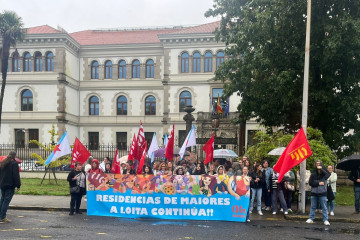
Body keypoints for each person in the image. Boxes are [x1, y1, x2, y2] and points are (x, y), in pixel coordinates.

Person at [306, 160, 331, 226]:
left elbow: (328, 174)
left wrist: (322, 169)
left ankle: (325, 220)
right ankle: (311, 218)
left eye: (319, 164)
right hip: (314, 193)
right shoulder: (313, 174)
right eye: (317, 164)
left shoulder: (324, 175)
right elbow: (311, 183)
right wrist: (318, 183)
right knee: (313, 206)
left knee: (324, 207)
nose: (318, 166)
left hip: (322, 193)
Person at [0, 151, 21, 222]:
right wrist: (18, 185)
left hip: (2, 184)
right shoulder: (14, 164)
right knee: (6, 201)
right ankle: (2, 217)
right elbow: (16, 176)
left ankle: (1, 215)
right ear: (14, 156)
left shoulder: (2, 163)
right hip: (10, 185)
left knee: (2, 200)